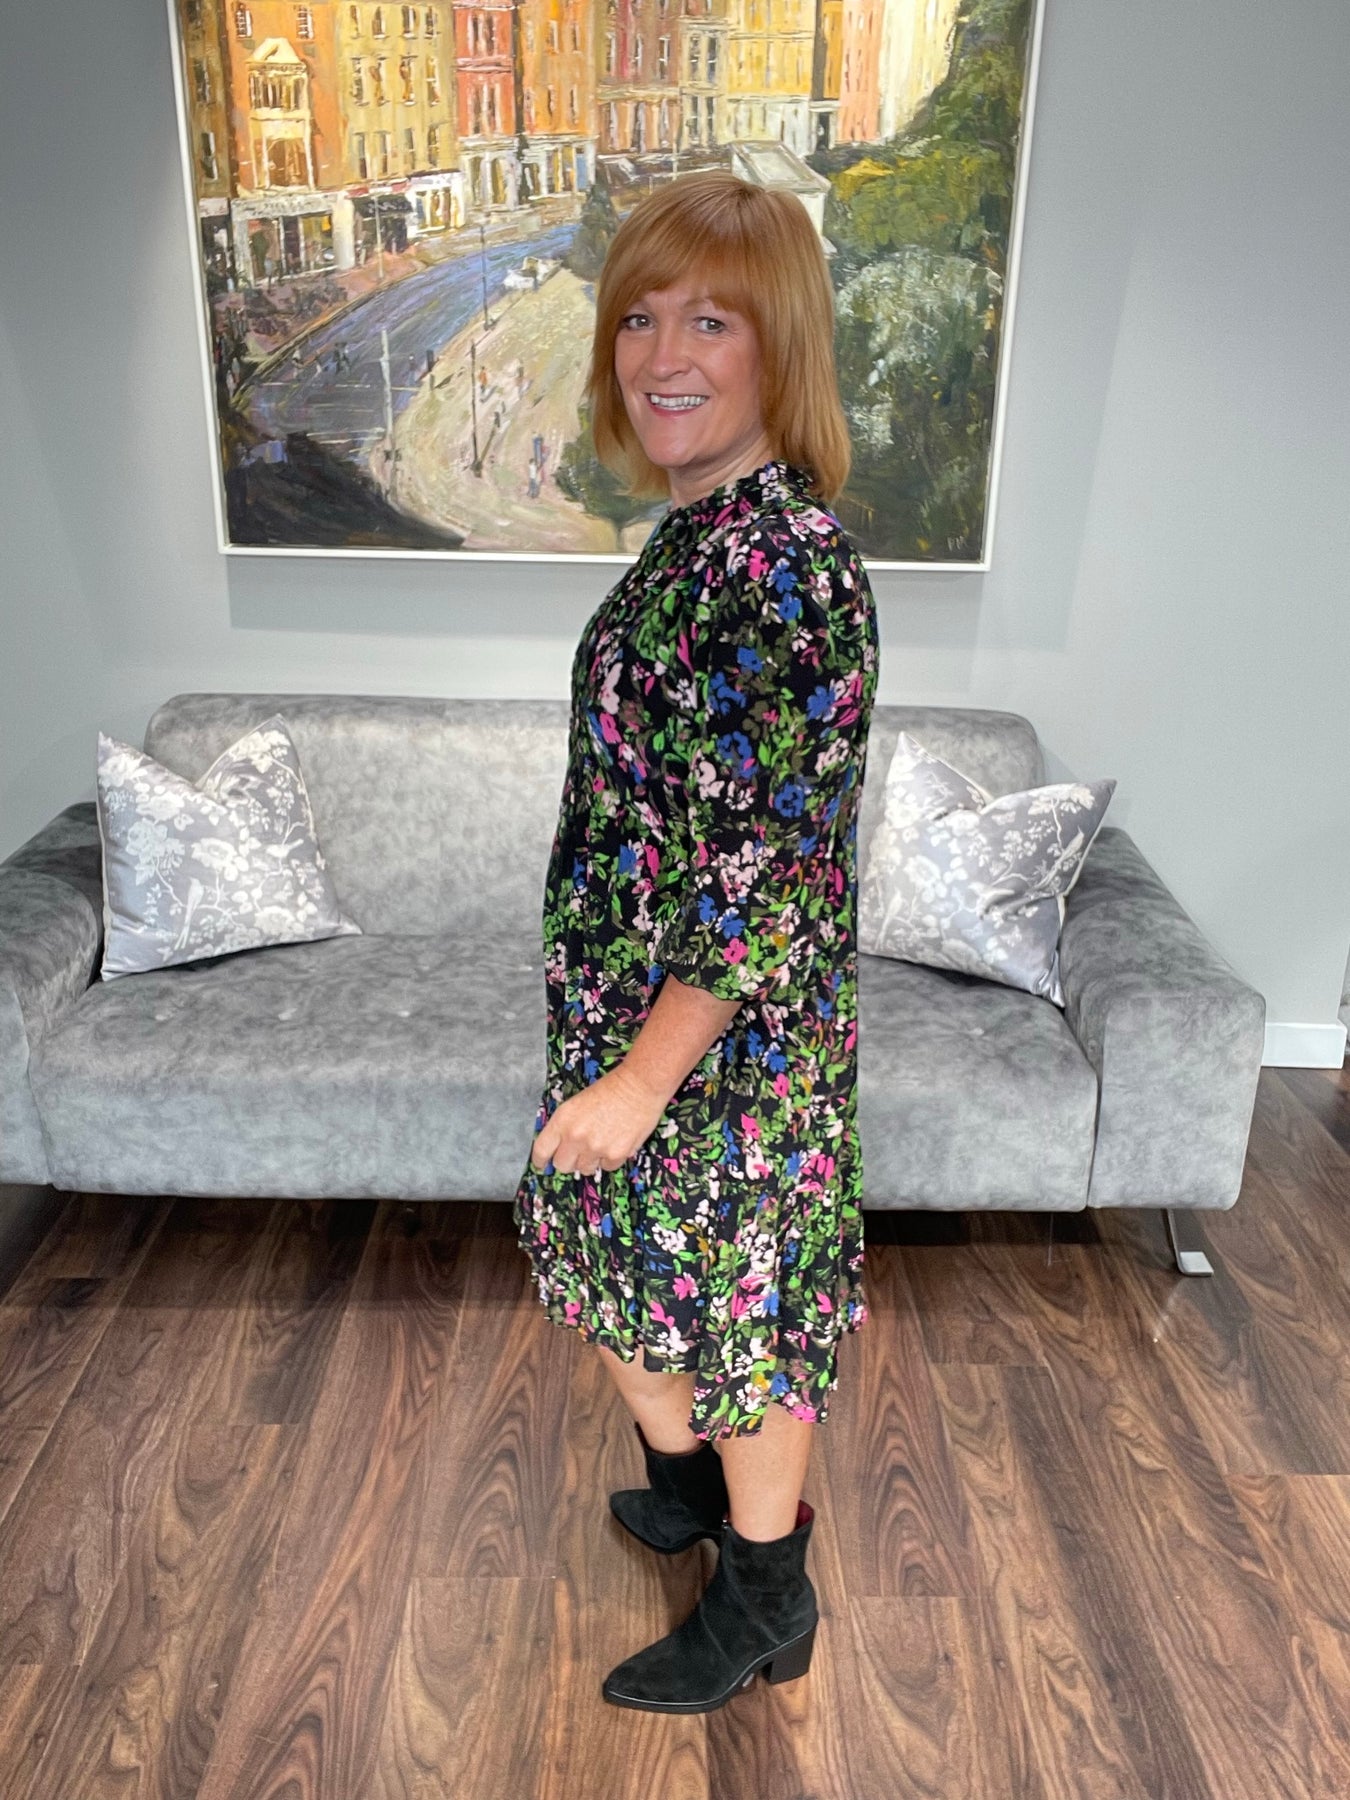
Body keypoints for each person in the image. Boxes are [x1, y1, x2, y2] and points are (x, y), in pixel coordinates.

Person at [513, 169, 879, 1713]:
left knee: (744, 1315)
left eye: (711, 321)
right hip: (640, 1015)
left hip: (724, 1051)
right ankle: (688, 1494)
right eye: (640, 318)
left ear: (777, 347)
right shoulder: (694, 540)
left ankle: (765, 1599)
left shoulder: (784, 566)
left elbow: (761, 869)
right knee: (624, 1260)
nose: (663, 355)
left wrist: (642, 1080)